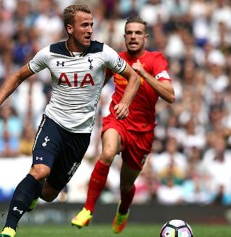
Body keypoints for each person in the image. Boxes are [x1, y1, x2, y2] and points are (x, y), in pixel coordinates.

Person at [0, 5, 140, 237]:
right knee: (39, 170)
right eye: (84, 25)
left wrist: (125, 102)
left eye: (92, 25)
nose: (90, 30)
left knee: (49, 193)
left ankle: (34, 194)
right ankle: (9, 228)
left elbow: (133, 77)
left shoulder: (103, 53)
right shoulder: (50, 53)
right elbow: (17, 76)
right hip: (54, 123)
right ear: (70, 28)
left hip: (81, 133)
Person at [71, 16, 175, 234]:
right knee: (107, 153)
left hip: (143, 132)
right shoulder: (117, 59)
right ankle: (88, 210)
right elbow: (97, 83)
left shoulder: (156, 60)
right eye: (129, 33)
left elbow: (170, 95)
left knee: (126, 185)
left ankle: (124, 209)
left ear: (145, 37)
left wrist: (144, 73)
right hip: (117, 120)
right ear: (124, 36)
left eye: (138, 33)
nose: (133, 37)